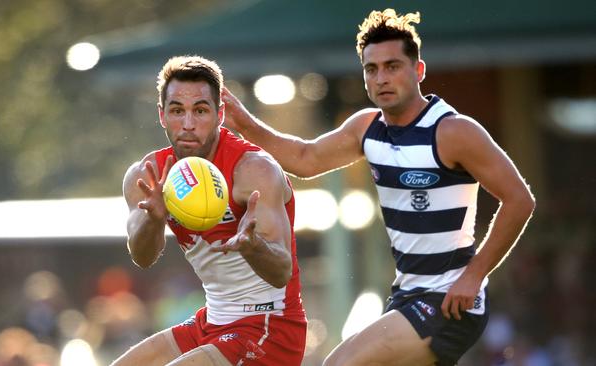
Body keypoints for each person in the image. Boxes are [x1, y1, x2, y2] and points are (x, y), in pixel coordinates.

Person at [223, 8, 535, 366]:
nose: (381, 78)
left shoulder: (453, 131)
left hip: (448, 299)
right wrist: (243, 122)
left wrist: (475, 275)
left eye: (393, 66)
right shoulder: (366, 129)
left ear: (418, 71)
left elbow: (519, 200)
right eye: (372, 69)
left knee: (339, 363)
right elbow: (305, 159)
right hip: (406, 296)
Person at [113, 55, 307, 366]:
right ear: (162, 115)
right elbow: (143, 257)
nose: (188, 125)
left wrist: (252, 246)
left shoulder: (253, 170)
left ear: (220, 114)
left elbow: (281, 272)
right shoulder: (147, 175)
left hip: (270, 326)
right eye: (177, 111)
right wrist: (154, 219)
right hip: (212, 322)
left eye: (200, 111)